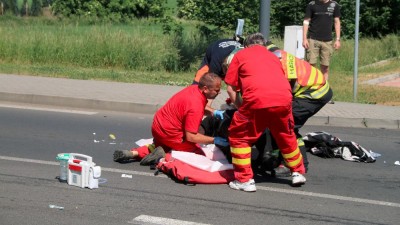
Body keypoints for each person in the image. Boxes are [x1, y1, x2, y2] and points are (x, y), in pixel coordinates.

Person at [224, 33, 306, 192]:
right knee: (286, 135)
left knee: (239, 136)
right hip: (283, 100)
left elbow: (231, 88)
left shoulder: (240, 55)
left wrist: (240, 108)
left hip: (257, 101)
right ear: (264, 45)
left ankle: (244, 180)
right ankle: (297, 172)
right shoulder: (274, 57)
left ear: (246, 45)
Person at [113, 72, 229, 165]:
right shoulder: (196, 106)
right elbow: (191, 136)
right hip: (170, 134)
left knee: (162, 145)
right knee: (197, 157)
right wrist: (214, 140)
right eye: (217, 90)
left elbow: (192, 107)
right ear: (205, 88)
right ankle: (165, 157)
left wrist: (214, 112)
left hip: (158, 127)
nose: (219, 93)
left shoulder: (193, 89)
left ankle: (134, 153)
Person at [302, 0, 341, 82]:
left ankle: (324, 87)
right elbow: (306, 21)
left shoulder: (334, 5)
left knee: (325, 67)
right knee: (311, 65)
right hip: (313, 40)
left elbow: (337, 22)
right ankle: (311, 87)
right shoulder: (312, 4)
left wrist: (337, 39)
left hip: (327, 41)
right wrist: (304, 38)